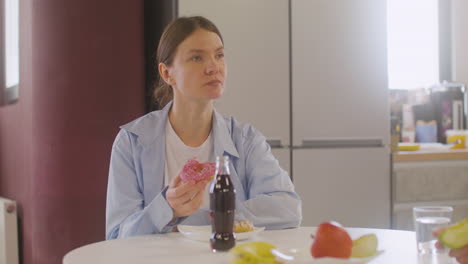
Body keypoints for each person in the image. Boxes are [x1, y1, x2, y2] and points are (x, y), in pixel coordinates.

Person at [105, 16, 302, 239]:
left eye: (219, 55)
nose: (213, 67)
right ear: (167, 73)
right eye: (197, 57)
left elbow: (288, 208)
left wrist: (199, 217)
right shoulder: (131, 142)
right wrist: (166, 207)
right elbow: (117, 236)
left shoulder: (245, 139)